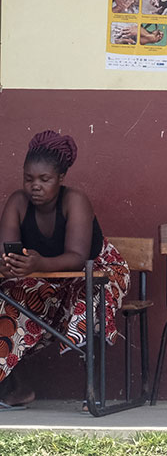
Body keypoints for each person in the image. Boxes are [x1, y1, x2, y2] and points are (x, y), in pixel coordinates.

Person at [0, 131, 130, 407]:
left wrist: (37, 264)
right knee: (10, 301)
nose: (35, 186)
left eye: (44, 180)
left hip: (100, 271)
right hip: (46, 275)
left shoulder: (75, 202)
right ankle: (15, 386)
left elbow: (78, 257)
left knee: (87, 300)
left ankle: (92, 392)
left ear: (60, 179)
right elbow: (7, 251)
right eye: (29, 178)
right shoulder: (17, 203)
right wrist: (8, 264)